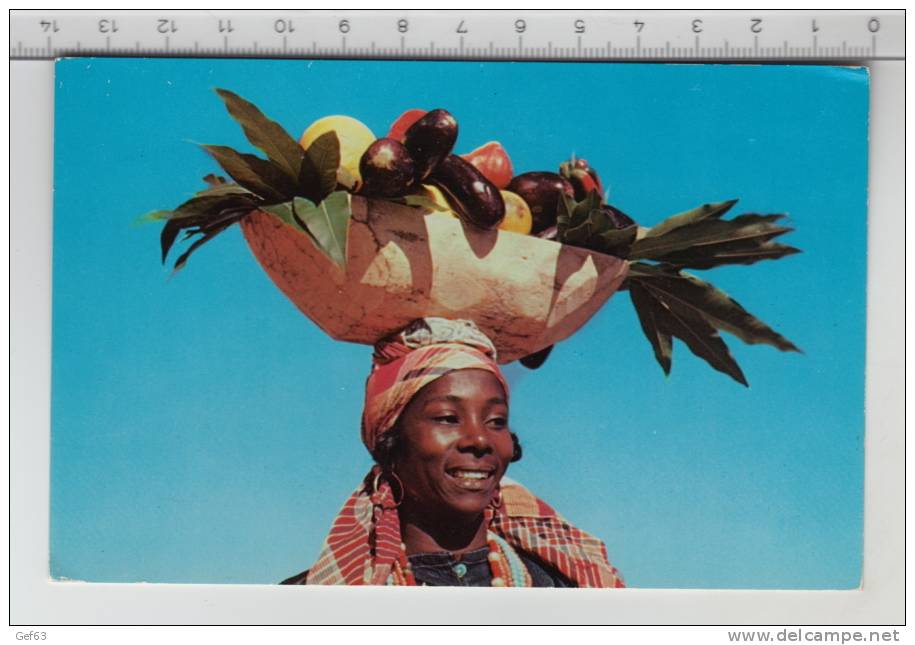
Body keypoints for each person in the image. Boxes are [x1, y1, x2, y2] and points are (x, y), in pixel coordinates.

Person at [282, 318, 624, 587]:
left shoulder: (569, 595)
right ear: (390, 438)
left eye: (496, 420)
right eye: (448, 418)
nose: (479, 439)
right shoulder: (308, 608)